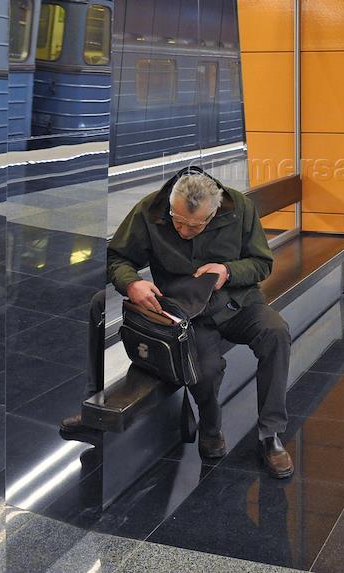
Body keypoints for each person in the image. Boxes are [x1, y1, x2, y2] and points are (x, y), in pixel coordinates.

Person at [61, 167, 293, 478]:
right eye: (178, 221)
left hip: (238, 303)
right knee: (204, 369)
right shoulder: (150, 210)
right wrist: (132, 283)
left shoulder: (240, 208)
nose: (183, 231)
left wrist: (227, 271)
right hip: (185, 315)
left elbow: (262, 263)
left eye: (194, 226)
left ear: (212, 214)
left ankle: (270, 434)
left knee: (276, 332)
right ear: (171, 205)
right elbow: (116, 257)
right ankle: (210, 428)